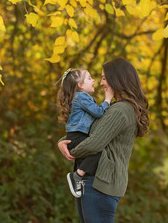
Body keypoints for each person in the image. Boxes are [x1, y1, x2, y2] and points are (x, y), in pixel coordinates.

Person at [57, 58, 149, 222]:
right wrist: (63, 141)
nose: (100, 83)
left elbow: (94, 143)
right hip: (95, 181)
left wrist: (72, 150)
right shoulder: (116, 107)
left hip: (100, 183)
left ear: (117, 79)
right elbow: (91, 129)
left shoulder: (120, 110)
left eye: (104, 78)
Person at [57, 68, 114, 198]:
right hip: (78, 135)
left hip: (74, 136)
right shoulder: (82, 97)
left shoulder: (78, 97)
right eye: (89, 78)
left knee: (83, 159)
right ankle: (77, 176)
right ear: (80, 85)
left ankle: (78, 181)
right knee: (97, 152)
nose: (93, 80)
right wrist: (108, 99)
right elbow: (99, 112)